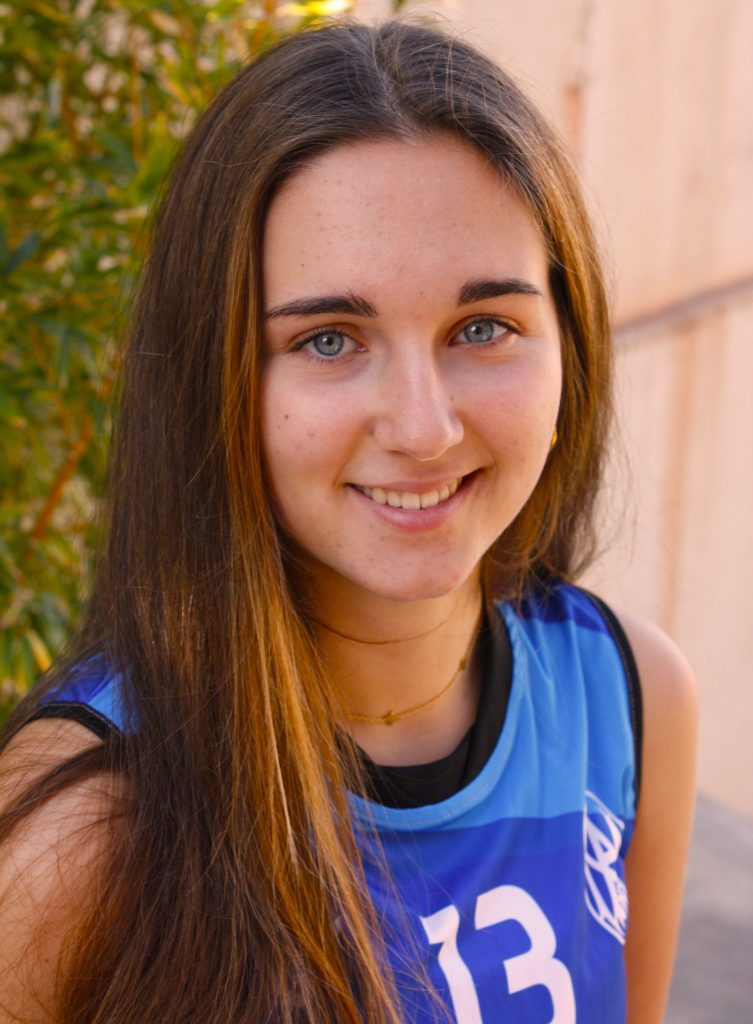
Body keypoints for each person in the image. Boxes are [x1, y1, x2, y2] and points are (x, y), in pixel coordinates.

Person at [0, 18, 698, 1024]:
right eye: (330, 338)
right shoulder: (85, 818)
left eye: (483, 327)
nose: (423, 425)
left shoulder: (627, 701)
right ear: (218, 376)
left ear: (570, 343)